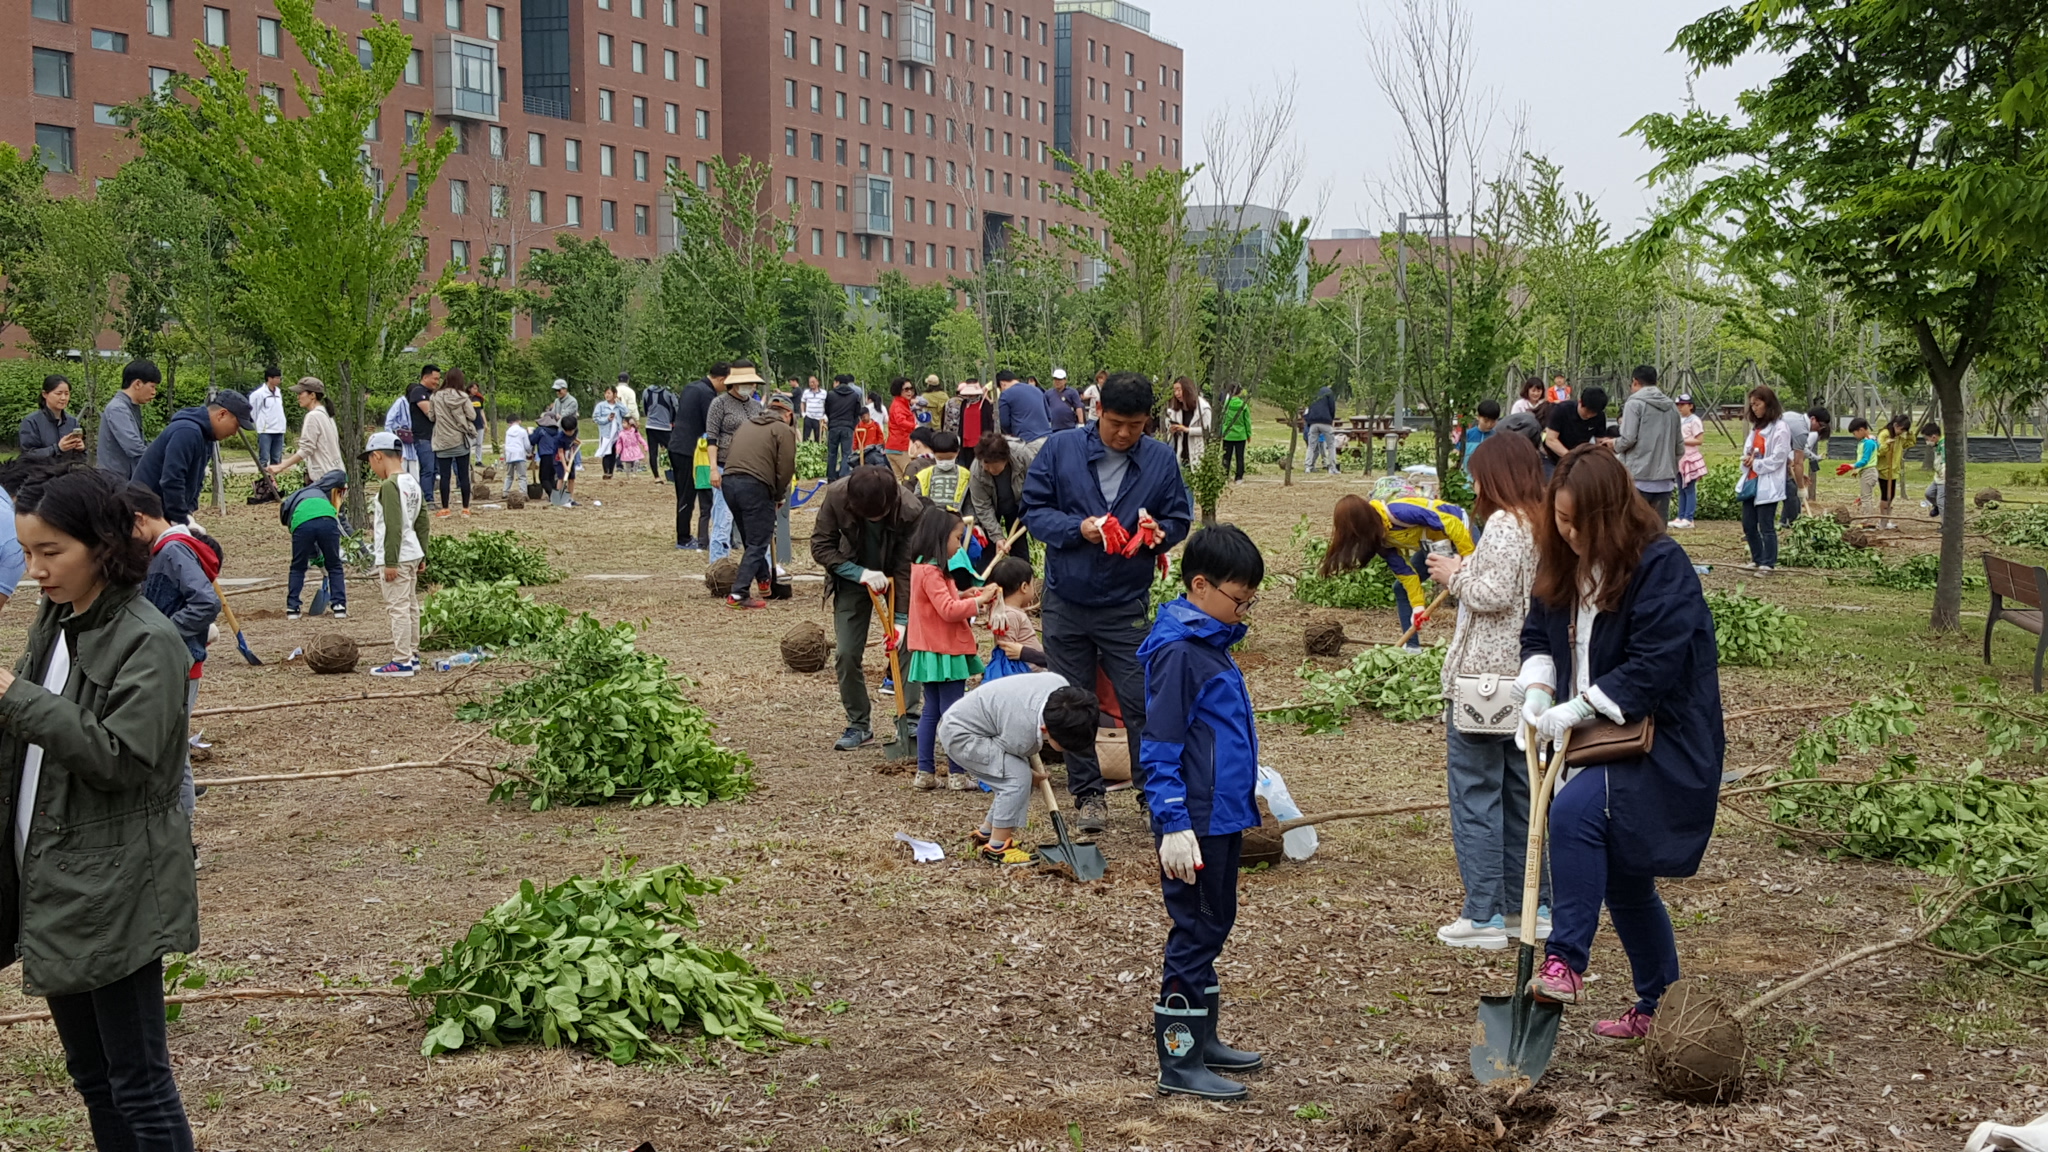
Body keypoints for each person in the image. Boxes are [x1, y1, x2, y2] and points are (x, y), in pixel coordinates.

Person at [0, 463, 200, 1147]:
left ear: (104, 543)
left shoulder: (149, 640)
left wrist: (12, 697)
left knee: (138, 1083)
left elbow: (121, 757)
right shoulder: (58, 620)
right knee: (92, 1075)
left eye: (50, 552)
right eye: (28, 552)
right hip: (56, 882)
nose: (35, 570)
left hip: (116, 888)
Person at [1516, 444, 1724, 1039]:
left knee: (1578, 812)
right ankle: (1662, 1007)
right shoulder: (1562, 562)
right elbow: (1537, 634)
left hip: (1661, 740)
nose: (1571, 532)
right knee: (1625, 875)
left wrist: (1579, 708)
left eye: (1582, 523)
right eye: (1561, 520)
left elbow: (1656, 664)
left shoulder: (1661, 566)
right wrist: (1537, 690)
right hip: (1594, 740)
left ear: (1612, 514)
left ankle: (1564, 962)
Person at [1022, 371, 1193, 833]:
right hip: (1066, 600)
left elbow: (1179, 516)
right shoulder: (1060, 451)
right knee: (1073, 703)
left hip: (1125, 603)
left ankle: (1150, 791)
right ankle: (1088, 796)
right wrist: (1077, 530)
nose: (1124, 434)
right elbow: (1034, 513)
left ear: (1147, 423)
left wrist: (1161, 535)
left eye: (1135, 426)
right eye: (1116, 422)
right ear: (1098, 412)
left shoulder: (1159, 461)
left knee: (1140, 700)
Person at [1141, 523, 1266, 1101]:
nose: (1244, 610)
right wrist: (1172, 821)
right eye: (1239, 599)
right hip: (1193, 822)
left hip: (1222, 816)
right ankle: (1179, 1060)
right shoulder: (1179, 654)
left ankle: (1204, 1036)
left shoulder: (1209, 644)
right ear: (1200, 585)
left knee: (1214, 922)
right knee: (1195, 928)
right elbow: (1161, 745)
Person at [1422, 435, 1549, 950]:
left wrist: (1455, 574)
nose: (1474, 485)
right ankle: (1532, 907)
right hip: (1529, 680)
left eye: (1478, 475)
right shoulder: (1543, 523)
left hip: (1483, 685)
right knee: (1524, 796)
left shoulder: (1502, 523)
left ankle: (1484, 914)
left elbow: (1492, 595)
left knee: (1476, 795)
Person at [811, 466, 926, 750]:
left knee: (906, 645)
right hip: (852, 576)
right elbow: (821, 546)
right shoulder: (837, 495)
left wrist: (900, 620)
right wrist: (858, 572)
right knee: (846, 652)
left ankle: (909, 719)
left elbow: (905, 566)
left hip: (897, 576)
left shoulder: (910, 508)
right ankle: (859, 724)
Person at [132, 482, 221, 837]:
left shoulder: (172, 551)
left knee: (173, 756)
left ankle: (183, 843)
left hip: (179, 662)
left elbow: (205, 602)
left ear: (139, 520)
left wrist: (163, 631)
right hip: (174, 660)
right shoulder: (166, 549)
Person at [939, 672, 1097, 865]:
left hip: (976, 721)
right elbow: (1012, 766)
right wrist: (1027, 776)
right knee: (1017, 780)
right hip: (962, 736)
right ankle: (997, 848)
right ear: (1045, 730)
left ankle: (987, 833)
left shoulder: (1060, 686)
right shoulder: (1022, 733)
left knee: (1018, 778)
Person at [906, 506, 1004, 788]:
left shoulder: (923, 569)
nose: (959, 545)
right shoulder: (934, 572)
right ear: (940, 537)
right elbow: (948, 611)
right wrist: (978, 602)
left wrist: (965, 594)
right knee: (955, 714)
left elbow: (941, 602)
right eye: (957, 538)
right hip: (946, 651)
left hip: (929, 651)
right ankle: (958, 774)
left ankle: (925, 772)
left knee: (931, 711)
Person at [1321, 492, 1475, 649]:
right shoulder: (1381, 539)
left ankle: (1468, 648)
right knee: (1400, 588)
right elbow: (1406, 574)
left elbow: (1450, 523)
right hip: (1436, 542)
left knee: (1468, 587)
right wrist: (1418, 607)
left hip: (1461, 529)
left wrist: (1468, 555)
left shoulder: (1399, 513)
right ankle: (1412, 649)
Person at [133, 392, 255, 526]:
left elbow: (196, 479)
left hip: (161, 513)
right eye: (236, 425)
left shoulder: (207, 437)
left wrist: (189, 511)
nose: (234, 433)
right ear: (222, 414)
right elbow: (172, 479)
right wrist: (180, 519)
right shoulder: (187, 432)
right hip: (143, 513)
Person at [722, 393, 797, 609]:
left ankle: (764, 581)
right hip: (755, 485)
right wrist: (779, 495)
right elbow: (786, 467)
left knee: (750, 538)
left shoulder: (746, 425)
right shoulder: (783, 430)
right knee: (759, 541)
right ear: (788, 414)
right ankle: (738, 594)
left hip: (729, 483)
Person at [363, 431, 428, 676]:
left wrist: (389, 561)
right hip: (412, 552)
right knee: (410, 604)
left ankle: (401, 660)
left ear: (378, 456)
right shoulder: (412, 481)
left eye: (370, 460)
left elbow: (392, 524)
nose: (372, 466)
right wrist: (423, 554)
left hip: (396, 556)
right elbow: (422, 521)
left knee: (397, 607)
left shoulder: (389, 485)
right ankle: (412, 654)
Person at [706, 362, 766, 561]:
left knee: (754, 521)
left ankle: (761, 566)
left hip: (751, 469)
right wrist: (714, 469)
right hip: (725, 467)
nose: (749, 386)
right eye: (745, 382)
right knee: (722, 520)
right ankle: (718, 564)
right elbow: (712, 439)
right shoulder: (719, 404)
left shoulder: (757, 406)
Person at [1613, 365, 1682, 521]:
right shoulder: (1671, 406)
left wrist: (1613, 445)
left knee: (1635, 529)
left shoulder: (1634, 404)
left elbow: (1628, 438)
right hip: (1665, 479)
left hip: (1638, 477)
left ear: (1635, 381)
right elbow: (1679, 446)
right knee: (1658, 530)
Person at [279, 470, 349, 621]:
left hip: (302, 523)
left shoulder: (298, 496)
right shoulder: (323, 496)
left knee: (298, 566)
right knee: (335, 565)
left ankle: (293, 608)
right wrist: (322, 563)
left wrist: (317, 559)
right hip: (328, 520)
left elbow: (307, 534)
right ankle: (339, 607)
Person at [671, 363, 727, 549]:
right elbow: (711, 424)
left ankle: (683, 533)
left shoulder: (691, 387)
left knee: (682, 493)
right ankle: (684, 538)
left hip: (676, 445)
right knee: (688, 494)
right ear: (721, 379)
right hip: (690, 449)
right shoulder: (707, 395)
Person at [1738, 386, 1791, 573]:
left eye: (1757, 404)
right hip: (1752, 481)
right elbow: (1748, 449)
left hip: (1768, 482)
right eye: (1752, 405)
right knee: (1748, 524)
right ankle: (1757, 557)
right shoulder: (1757, 428)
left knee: (1766, 524)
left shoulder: (1780, 427)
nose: (1754, 408)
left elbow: (1779, 457)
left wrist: (1758, 464)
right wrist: (1748, 459)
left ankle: (1768, 562)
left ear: (1768, 404)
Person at [964, 431, 1038, 563]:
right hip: (992, 507)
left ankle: (1022, 578)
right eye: (984, 463)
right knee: (989, 548)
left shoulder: (1021, 455)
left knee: (1019, 547)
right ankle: (989, 579)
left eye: (992, 465)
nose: (987, 468)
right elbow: (983, 506)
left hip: (1018, 504)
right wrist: (997, 536)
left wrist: (1029, 507)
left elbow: (1036, 481)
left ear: (1004, 460)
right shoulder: (977, 470)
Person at [263, 377, 342, 491]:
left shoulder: (313, 416)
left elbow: (306, 449)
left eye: (301, 393)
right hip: (336, 475)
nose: (298, 397)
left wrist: (281, 466)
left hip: (324, 478)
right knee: (336, 508)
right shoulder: (326, 414)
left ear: (312, 395)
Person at [96, 360, 161, 480]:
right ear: (137, 384)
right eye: (152, 387)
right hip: (113, 482)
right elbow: (134, 447)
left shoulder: (131, 407)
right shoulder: (118, 408)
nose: (154, 392)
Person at [983, 555, 1043, 680]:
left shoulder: (1006, 612)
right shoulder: (1010, 615)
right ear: (1024, 587)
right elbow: (1007, 648)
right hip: (1025, 675)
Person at [429, 369, 477, 516]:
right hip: (460, 440)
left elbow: (431, 417)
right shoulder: (463, 397)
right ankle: (465, 508)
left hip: (442, 441)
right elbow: (472, 416)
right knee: (463, 476)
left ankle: (445, 508)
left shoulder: (435, 396)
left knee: (445, 476)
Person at [1543, 387, 1608, 474]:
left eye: (1593, 413)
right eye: (1587, 411)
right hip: (1552, 457)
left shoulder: (1599, 417)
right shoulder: (1561, 410)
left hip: (1579, 458)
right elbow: (1550, 440)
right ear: (1580, 402)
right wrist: (1572, 457)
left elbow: (1600, 441)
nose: (1589, 416)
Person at [19, 375, 84, 460]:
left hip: (68, 471)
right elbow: (27, 455)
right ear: (45, 394)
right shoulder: (31, 421)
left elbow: (81, 459)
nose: (63, 398)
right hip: (40, 471)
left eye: (66, 394)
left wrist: (81, 449)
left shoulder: (72, 422)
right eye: (58, 393)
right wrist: (57, 449)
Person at [941, 379, 992, 471]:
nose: (971, 396)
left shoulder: (985, 404)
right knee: (967, 465)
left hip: (981, 440)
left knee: (980, 466)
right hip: (966, 441)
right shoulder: (964, 403)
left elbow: (989, 423)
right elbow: (961, 421)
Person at [911, 430, 968, 512]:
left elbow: (968, 502)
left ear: (957, 453)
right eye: (940, 458)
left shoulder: (964, 475)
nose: (945, 461)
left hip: (955, 518)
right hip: (932, 517)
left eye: (950, 458)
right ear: (933, 453)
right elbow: (917, 499)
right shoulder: (925, 475)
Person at [1673, 394, 1707, 528]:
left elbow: (1699, 440)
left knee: (1689, 488)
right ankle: (1680, 516)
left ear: (1690, 406)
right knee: (1681, 488)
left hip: (1690, 458)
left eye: (1682, 405)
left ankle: (1689, 518)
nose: (1679, 407)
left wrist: (1681, 441)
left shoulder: (1695, 420)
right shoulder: (1679, 420)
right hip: (1680, 458)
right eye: (1678, 405)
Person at [408, 364, 441, 499]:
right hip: (422, 438)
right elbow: (430, 413)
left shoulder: (431, 394)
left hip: (433, 438)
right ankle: (427, 499)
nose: (437, 382)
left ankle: (430, 496)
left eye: (438, 379)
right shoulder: (418, 392)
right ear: (425, 377)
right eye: (434, 379)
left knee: (434, 470)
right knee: (427, 470)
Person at [995, 369, 1052, 445]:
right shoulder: (1037, 390)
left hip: (1027, 441)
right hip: (1048, 438)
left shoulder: (1006, 395)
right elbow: (1049, 416)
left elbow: (1004, 422)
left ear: (1002, 384)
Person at [823, 373, 864, 480]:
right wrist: (852, 423)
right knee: (846, 453)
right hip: (848, 427)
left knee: (832, 453)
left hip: (834, 426)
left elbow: (827, 410)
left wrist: (832, 420)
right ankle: (844, 475)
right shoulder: (854, 395)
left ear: (837, 382)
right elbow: (857, 412)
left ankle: (831, 477)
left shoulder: (831, 394)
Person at [1875, 414, 1911, 529]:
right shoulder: (1884, 434)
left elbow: (1909, 444)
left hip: (1894, 470)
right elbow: (1879, 452)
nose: (1902, 432)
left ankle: (1887, 519)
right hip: (1885, 469)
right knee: (1885, 495)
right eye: (1901, 429)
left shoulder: (1899, 437)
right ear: (1896, 425)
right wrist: (1887, 444)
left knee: (1892, 495)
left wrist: (1910, 435)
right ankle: (1882, 521)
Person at [1165, 377, 1211, 468]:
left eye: (1179, 390)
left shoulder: (1203, 408)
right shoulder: (1175, 408)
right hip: (1179, 451)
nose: (1177, 394)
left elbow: (1207, 430)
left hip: (1196, 451)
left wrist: (1187, 430)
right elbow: (1168, 424)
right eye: (1175, 391)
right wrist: (1172, 428)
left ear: (1187, 390)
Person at [249, 367, 287, 470]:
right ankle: (264, 481)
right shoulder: (259, 394)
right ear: (270, 378)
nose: (279, 380)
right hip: (266, 430)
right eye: (277, 378)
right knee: (264, 458)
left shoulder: (278, 392)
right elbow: (253, 410)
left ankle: (275, 480)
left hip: (279, 429)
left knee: (277, 458)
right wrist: (259, 423)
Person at [640, 379, 676, 483]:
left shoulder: (646, 391)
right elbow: (675, 406)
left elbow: (645, 407)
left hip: (650, 426)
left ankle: (656, 477)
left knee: (653, 452)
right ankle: (676, 473)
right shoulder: (669, 392)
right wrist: (673, 421)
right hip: (665, 426)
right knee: (672, 450)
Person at [882, 377, 917, 476]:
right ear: (898, 390)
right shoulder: (898, 405)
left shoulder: (902, 404)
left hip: (894, 447)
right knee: (909, 477)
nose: (909, 392)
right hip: (900, 448)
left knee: (900, 480)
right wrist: (915, 427)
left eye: (911, 388)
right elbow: (901, 421)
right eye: (906, 389)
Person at [1301, 385, 1340, 475]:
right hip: (1326, 422)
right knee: (1331, 446)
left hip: (1314, 422)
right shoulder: (1328, 392)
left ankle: (1308, 466)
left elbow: (1309, 407)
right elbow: (1332, 407)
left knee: (1311, 446)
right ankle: (1332, 468)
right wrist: (1331, 418)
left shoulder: (1313, 391)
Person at [1218, 384, 1252, 482]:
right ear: (1240, 392)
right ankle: (1239, 477)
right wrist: (1249, 435)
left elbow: (1223, 419)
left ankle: (1224, 476)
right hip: (1240, 435)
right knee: (1239, 457)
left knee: (1226, 456)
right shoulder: (1244, 405)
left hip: (1228, 435)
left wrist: (1221, 432)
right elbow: (1247, 422)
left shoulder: (1226, 405)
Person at [1848, 417, 1879, 516]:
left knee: (1866, 497)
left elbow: (1865, 460)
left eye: (1854, 433)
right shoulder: (1864, 442)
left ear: (1861, 430)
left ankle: (1867, 519)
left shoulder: (1869, 443)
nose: (1855, 436)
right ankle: (1865, 517)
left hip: (1868, 471)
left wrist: (1852, 466)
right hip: (1865, 471)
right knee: (1864, 496)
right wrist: (1856, 470)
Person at [1460, 399, 1499, 472]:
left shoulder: (1497, 438)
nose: (1489, 424)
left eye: (1493, 421)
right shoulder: (1467, 435)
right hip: (1468, 476)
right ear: (1478, 417)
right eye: (1486, 421)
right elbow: (1457, 452)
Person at [594, 386, 624, 479]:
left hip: (617, 432)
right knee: (606, 451)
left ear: (615, 394)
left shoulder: (618, 406)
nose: (607, 395)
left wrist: (619, 403)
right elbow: (596, 418)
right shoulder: (601, 406)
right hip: (606, 432)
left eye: (609, 393)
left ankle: (611, 471)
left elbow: (625, 412)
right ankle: (606, 471)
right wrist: (606, 419)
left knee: (614, 452)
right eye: (606, 393)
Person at [500, 413, 531, 497]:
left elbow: (507, 444)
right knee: (522, 476)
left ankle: (505, 492)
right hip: (520, 455)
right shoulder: (522, 431)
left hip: (509, 455)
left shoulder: (508, 432)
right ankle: (523, 493)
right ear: (518, 421)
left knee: (509, 475)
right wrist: (529, 451)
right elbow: (527, 445)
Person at [1922, 421, 1946, 519]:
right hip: (1938, 477)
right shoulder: (1937, 445)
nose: (1927, 442)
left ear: (1934, 437)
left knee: (1941, 501)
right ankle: (1937, 506)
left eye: (1927, 439)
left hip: (1944, 477)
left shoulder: (1944, 445)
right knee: (1929, 493)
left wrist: (1944, 471)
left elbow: (1945, 460)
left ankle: (1946, 525)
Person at [802, 377, 827, 442]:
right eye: (810, 382)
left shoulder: (824, 393)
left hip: (819, 418)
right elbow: (802, 402)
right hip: (808, 417)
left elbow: (827, 404)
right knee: (806, 437)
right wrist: (803, 413)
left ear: (817, 382)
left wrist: (825, 415)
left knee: (818, 437)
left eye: (813, 382)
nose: (811, 384)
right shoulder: (806, 392)